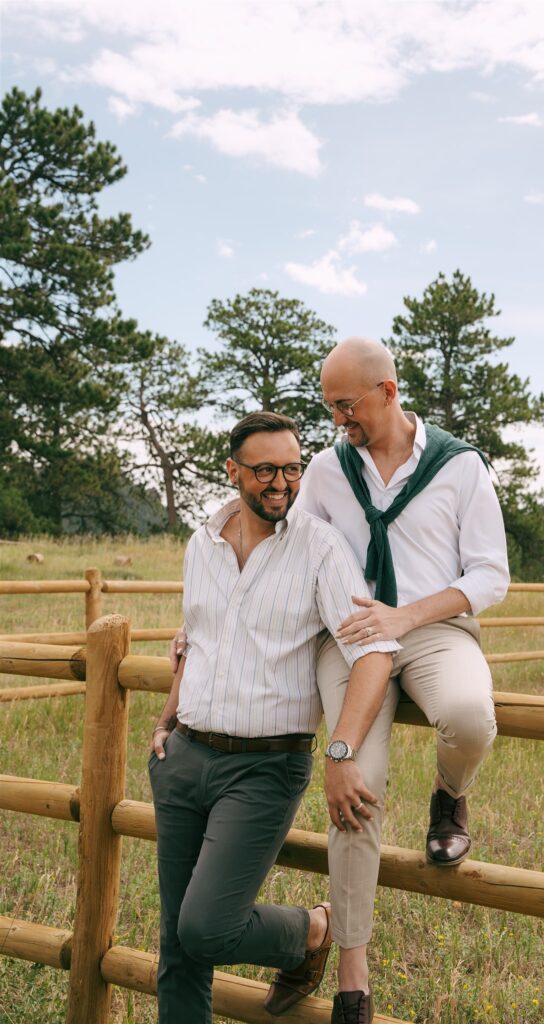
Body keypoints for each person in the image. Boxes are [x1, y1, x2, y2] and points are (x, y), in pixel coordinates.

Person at [152, 410, 396, 1024]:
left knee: (205, 927)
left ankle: (311, 932)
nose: (280, 482)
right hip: (184, 757)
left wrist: (341, 751)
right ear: (232, 471)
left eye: (291, 468)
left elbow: (372, 654)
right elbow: (196, 640)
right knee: (177, 947)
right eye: (265, 470)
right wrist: (164, 721)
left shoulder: (319, 548)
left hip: (264, 768)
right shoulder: (200, 542)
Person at [295, 336, 510, 1019]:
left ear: (388, 392)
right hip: (351, 638)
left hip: (432, 628)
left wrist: (406, 616)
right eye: (328, 406)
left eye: (346, 404)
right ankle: (352, 973)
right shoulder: (327, 472)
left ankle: (449, 797)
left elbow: (489, 574)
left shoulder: (460, 466)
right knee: (359, 777)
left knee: (470, 716)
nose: (336, 420)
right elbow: (290, 550)